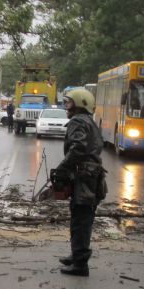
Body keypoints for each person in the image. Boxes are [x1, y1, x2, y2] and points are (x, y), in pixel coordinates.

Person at [53, 88, 106, 277]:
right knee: (83, 217)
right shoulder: (89, 121)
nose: (66, 106)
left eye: (69, 102)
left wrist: (62, 168)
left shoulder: (77, 121)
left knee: (80, 219)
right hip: (92, 177)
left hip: (84, 178)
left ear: (79, 104)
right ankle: (77, 255)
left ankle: (80, 264)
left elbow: (78, 148)